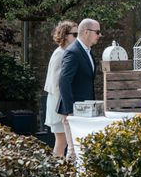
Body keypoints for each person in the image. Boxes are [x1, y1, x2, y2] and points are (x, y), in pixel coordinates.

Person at [58, 18, 102, 160]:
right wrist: (70, 110)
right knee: (73, 151)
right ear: (86, 32)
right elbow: (64, 81)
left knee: (81, 151)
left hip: (85, 110)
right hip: (73, 111)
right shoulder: (73, 51)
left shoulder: (87, 51)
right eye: (97, 32)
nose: (99, 35)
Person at [44, 20, 78, 157]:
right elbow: (56, 83)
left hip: (59, 103)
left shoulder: (65, 52)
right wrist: (64, 108)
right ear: (65, 35)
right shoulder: (60, 53)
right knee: (61, 142)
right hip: (58, 103)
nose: (77, 37)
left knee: (63, 142)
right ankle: (57, 173)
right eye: (75, 34)